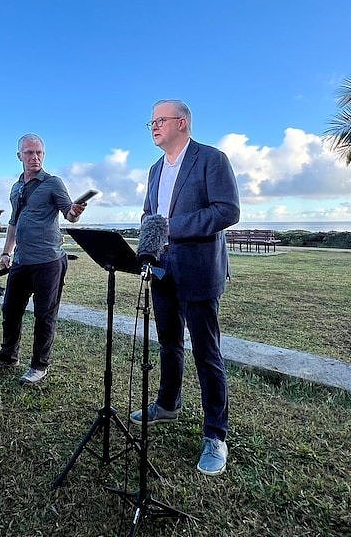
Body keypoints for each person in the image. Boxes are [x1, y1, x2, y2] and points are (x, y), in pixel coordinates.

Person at [129, 100, 240, 476]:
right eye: (152, 121)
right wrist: (147, 246)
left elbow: (227, 210)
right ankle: (167, 404)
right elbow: (149, 213)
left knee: (207, 353)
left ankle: (215, 434)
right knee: (169, 343)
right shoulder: (154, 168)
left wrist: (173, 226)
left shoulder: (212, 158)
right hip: (162, 270)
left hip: (199, 269)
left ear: (182, 122)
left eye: (160, 120)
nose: (154, 126)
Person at [0, 134, 86, 385]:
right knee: (10, 310)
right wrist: (6, 252)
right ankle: (8, 356)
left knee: (44, 314)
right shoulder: (16, 187)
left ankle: (39, 365)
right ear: (19, 156)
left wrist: (74, 212)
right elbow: (13, 222)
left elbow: (69, 215)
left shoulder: (53, 183)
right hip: (21, 261)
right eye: (29, 152)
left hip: (48, 261)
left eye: (39, 152)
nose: (35, 157)